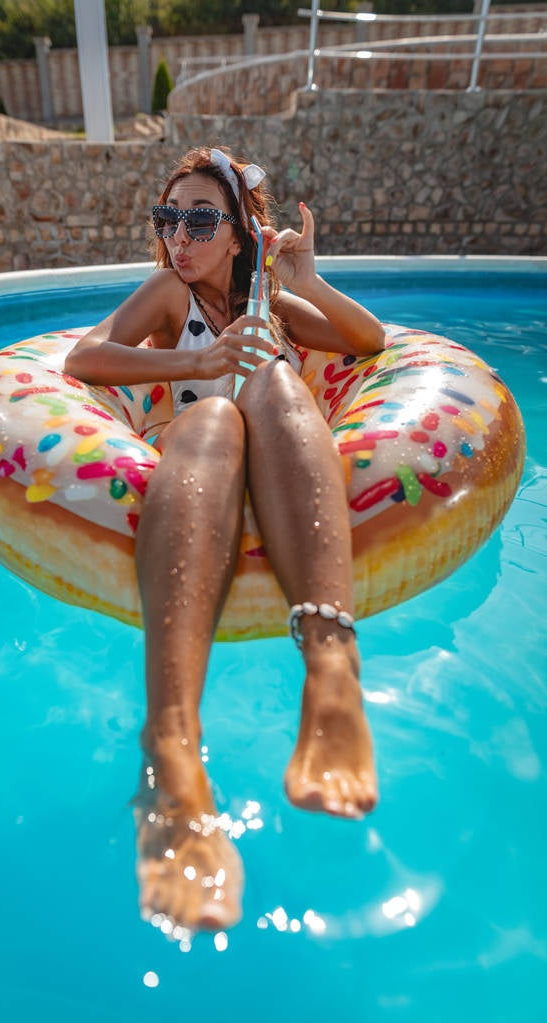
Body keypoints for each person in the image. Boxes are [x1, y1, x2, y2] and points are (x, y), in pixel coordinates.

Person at [64, 147, 385, 932]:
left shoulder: (270, 300)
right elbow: (87, 355)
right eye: (167, 219)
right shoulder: (171, 293)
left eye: (201, 219)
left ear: (239, 234)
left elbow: (367, 341)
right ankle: (171, 744)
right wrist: (196, 359)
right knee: (210, 414)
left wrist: (306, 283)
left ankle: (333, 674)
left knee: (272, 374)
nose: (180, 236)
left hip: (282, 458)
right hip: (199, 470)